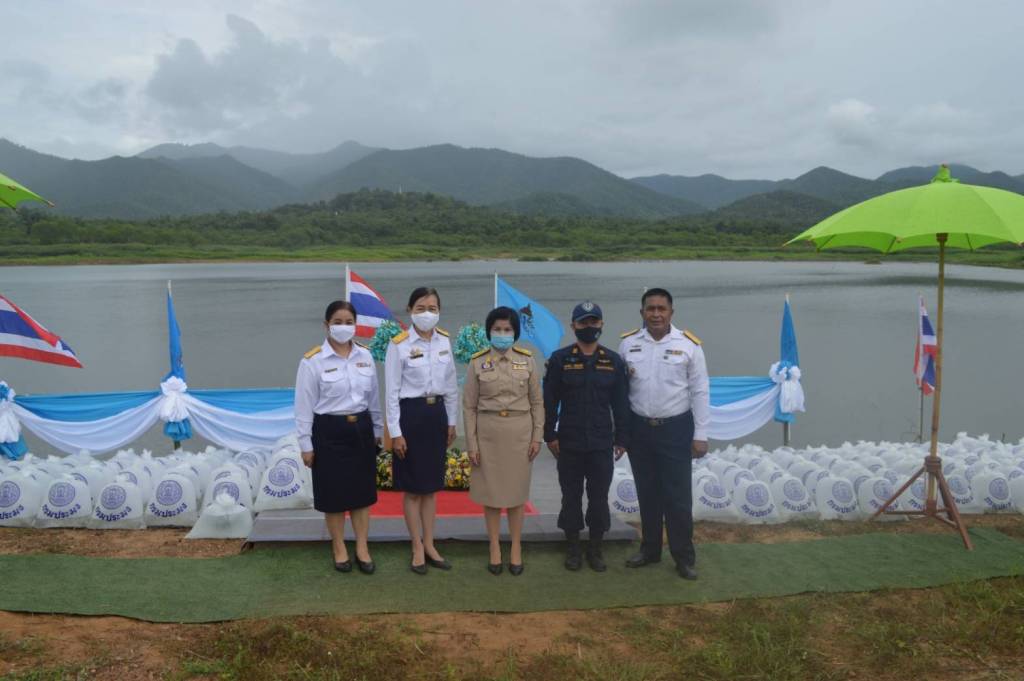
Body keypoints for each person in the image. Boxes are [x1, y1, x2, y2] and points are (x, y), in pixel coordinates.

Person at [618, 288, 709, 580]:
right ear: (642, 312)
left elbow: (700, 391)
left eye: (661, 309)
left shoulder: (689, 345)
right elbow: (621, 392)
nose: (656, 314)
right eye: (650, 308)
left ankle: (683, 557)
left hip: (675, 429)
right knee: (647, 493)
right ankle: (650, 549)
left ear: (671, 312)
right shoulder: (628, 344)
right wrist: (620, 433)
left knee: (677, 497)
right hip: (639, 429)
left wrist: (701, 434)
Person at [295, 300, 382, 574]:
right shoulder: (312, 361)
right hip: (328, 431)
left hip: (361, 429)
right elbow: (303, 407)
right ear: (326, 325)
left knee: (362, 493)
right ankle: (339, 547)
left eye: (348, 322)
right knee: (333, 494)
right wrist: (305, 444)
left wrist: (378, 430)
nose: (343, 327)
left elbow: (374, 398)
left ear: (355, 325)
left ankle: (362, 547)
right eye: (337, 322)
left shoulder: (365, 356)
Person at [543, 301, 629, 572]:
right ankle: (573, 548)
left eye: (594, 321)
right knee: (570, 496)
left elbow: (621, 404)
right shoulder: (560, 360)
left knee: (599, 497)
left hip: (601, 442)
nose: (589, 326)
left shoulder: (613, 361)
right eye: (583, 322)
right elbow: (549, 401)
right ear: (573, 326)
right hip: (568, 442)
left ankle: (595, 548)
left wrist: (622, 438)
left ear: (601, 324)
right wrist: (549, 435)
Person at [463, 307, 544, 576]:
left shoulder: (527, 361)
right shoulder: (477, 362)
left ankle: (516, 547)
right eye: (497, 329)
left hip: (520, 434)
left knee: (516, 494)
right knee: (492, 494)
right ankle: (495, 546)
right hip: (488, 434)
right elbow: (469, 406)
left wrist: (537, 437)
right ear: (489, 332)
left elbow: (537, 402)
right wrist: (472, 444)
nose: (502, 334)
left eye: (507, 329)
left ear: (515, 332)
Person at [384, 287, 459, 575]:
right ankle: (416, 546)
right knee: (413, 490)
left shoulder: (444, 341)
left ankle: (430, 544)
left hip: (436, 416)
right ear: (409, 310)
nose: (427, 313)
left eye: (432, 308)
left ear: (439, 310)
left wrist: (451, 421)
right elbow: (391, 393)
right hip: (410, 417)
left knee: (431, 489)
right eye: (420, 308)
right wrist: (396, 432)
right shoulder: (399, 345)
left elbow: (450, 386)